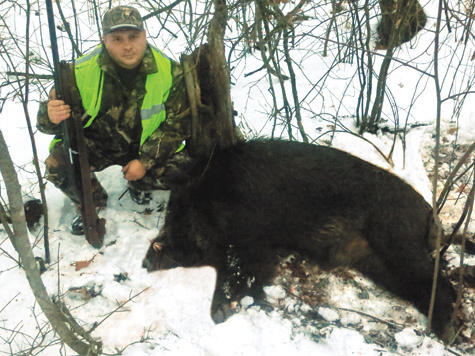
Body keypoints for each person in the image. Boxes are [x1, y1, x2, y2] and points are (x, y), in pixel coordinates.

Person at [37, 6, 191, 235]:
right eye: (117, 38)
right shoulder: (79, 71)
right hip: (98, 145)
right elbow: (45, 124)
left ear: (144, 36)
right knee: (58, 164)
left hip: (145, 147)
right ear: (104, 40)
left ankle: (142, 187)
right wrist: (50, 116)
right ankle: (94, 205)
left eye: (133, 37)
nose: (127, 45)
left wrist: (145, 161)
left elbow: (177, 125)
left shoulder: (169, 71)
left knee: (188, 171)